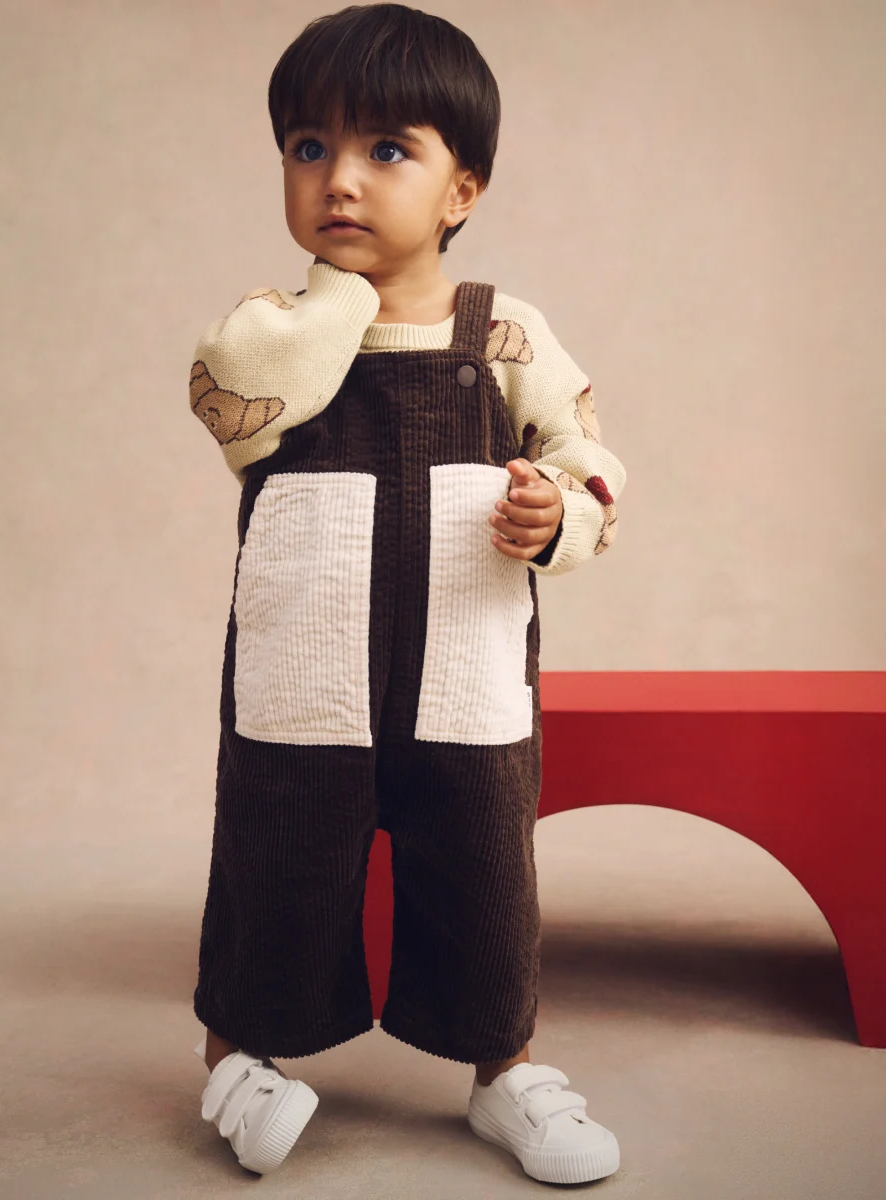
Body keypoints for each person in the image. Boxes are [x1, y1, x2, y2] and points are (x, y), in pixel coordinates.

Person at [187, 3, 627, 1185]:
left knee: (484, 870)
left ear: (460, 189)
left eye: (387, 150)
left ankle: (505, 1070)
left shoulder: (506, 332)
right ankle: (238, 1058)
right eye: (308, 148)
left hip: (464, 668)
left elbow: (587, 455)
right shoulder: (274, 331)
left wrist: (558, 514)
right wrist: (342, 298)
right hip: (302, 672)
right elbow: (232, 403)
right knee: (275, 857)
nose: (340, 179)